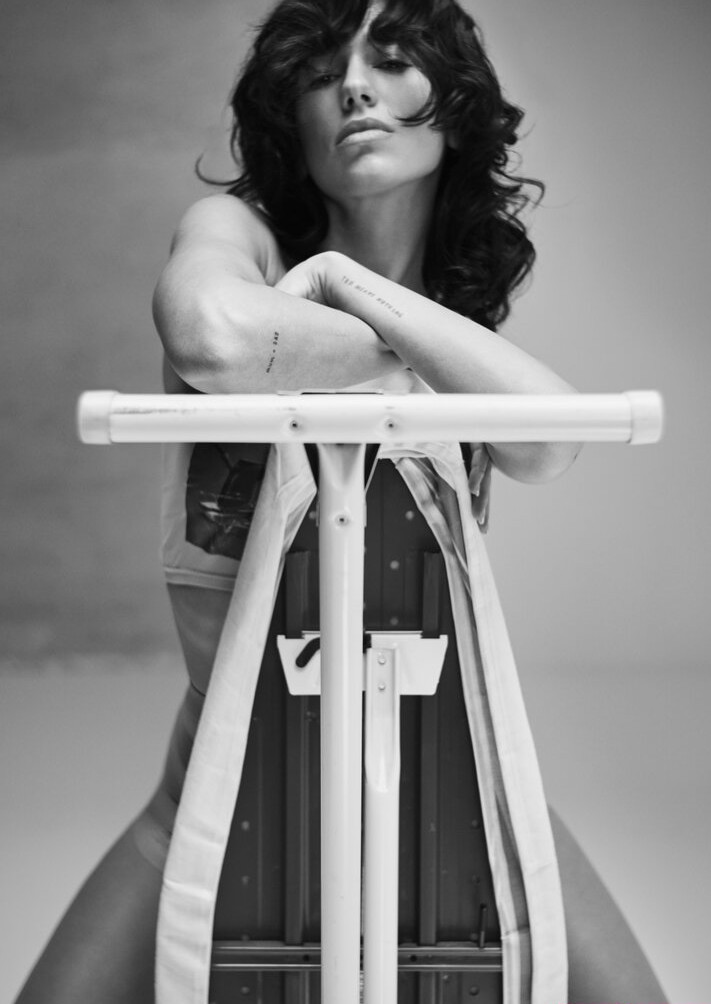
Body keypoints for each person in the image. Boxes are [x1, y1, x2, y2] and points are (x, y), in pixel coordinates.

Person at [16, 0, 668, 1001]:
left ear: (454, 109)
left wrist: (350, 287)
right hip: (225, 777)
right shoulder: (240, 237)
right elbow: (212, 335)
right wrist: (422, 353)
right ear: (294, 120)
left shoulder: (427, 315)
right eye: (324, 73)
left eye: (393, 60)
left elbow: (549, 442)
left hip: (456, 772)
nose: (356, 85)